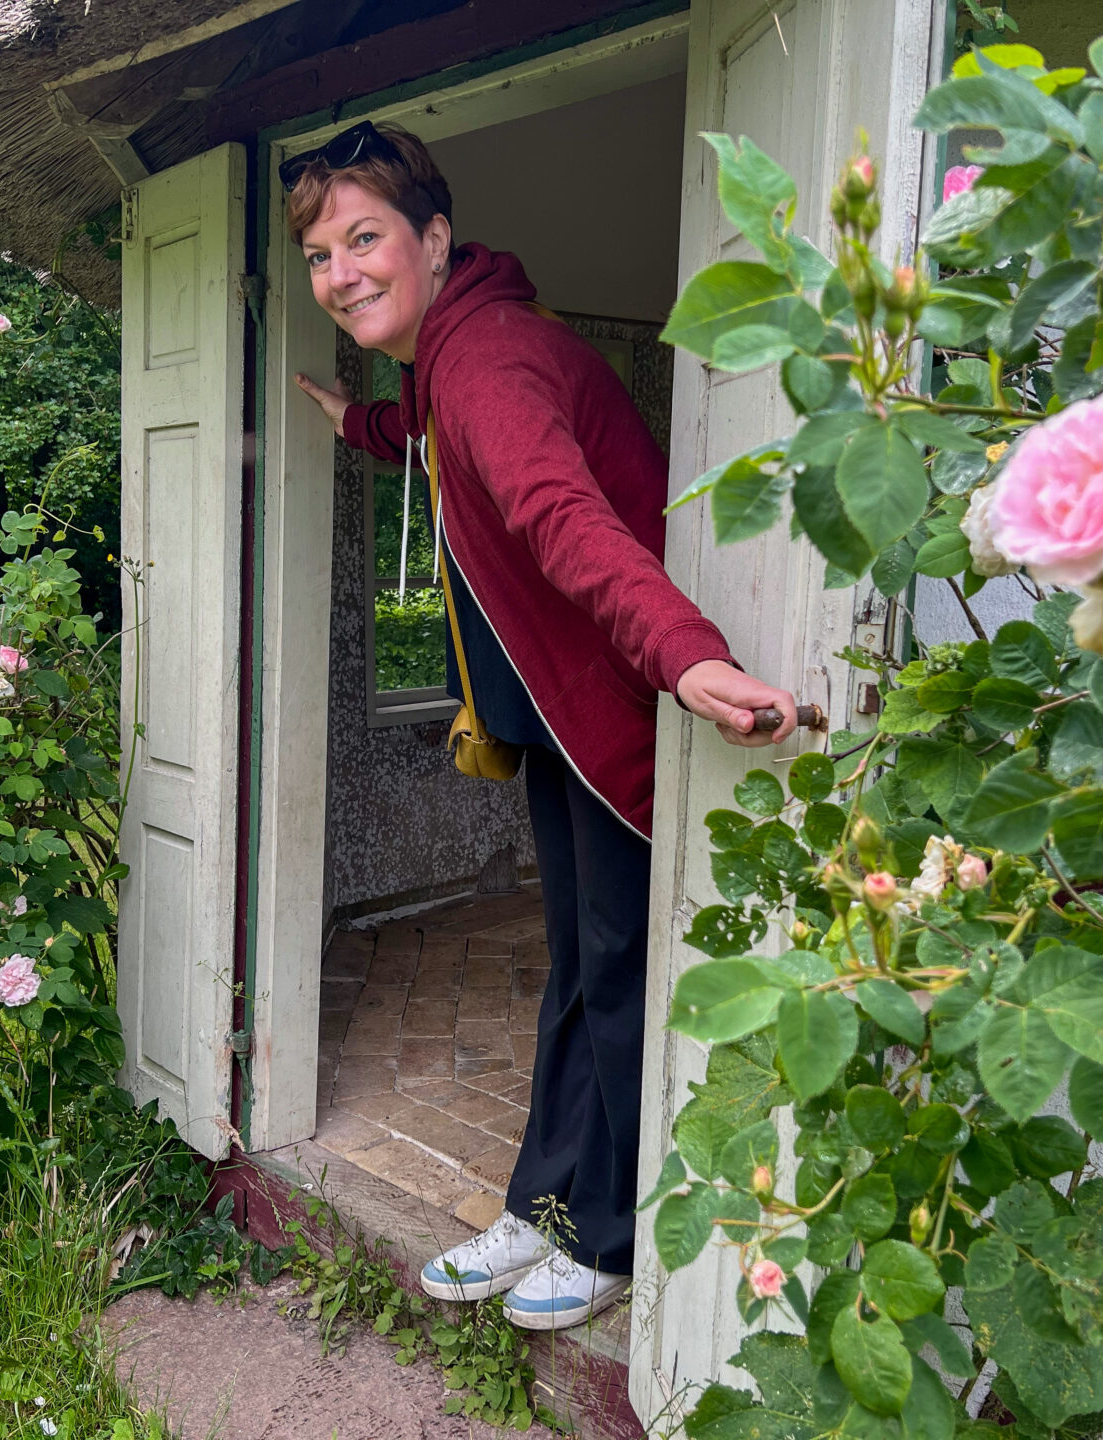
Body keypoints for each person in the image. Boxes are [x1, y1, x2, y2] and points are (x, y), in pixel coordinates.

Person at [286, 120, 798, 1331]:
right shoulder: (447, 358)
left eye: (366, 238)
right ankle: (545, 1206)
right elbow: (426, 433)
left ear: (435, 239)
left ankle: (608, 1234)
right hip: (560, 721)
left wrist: (688, 658)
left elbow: (563, 519)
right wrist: (351, 422)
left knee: (614, 974)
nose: (342, 270)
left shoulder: (489, 360)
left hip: (611, 712)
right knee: (578, 968)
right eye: (320, 253)